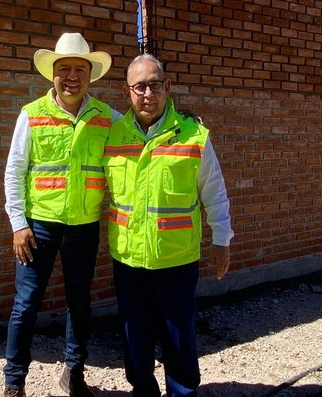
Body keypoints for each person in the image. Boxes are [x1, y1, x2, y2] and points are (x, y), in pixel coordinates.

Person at [102, 54, 234, 396]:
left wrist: (222, 239)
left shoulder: (193, 135)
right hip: (129, 259)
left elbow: (214, 191)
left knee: (179, 336)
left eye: (155, 85)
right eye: (140, 86)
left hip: (177, 259)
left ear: (168, 87)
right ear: (127, 91)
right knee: (135, 337)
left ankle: (183, 392)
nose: (148, 94)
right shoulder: (112, 134)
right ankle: (143, 391)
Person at [2, 32, 114, 397]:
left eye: (79, 69)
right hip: (39, 228)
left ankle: (74, 373)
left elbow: (143, 133)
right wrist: (18, 224)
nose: (71, 76)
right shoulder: (31, 114)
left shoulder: (107, 117)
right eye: (63, 68)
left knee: (79, 304)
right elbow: (14, 171)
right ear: (52, 74)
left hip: (84, 228)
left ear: (90, 75)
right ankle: (14, 381)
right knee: (26, 305)